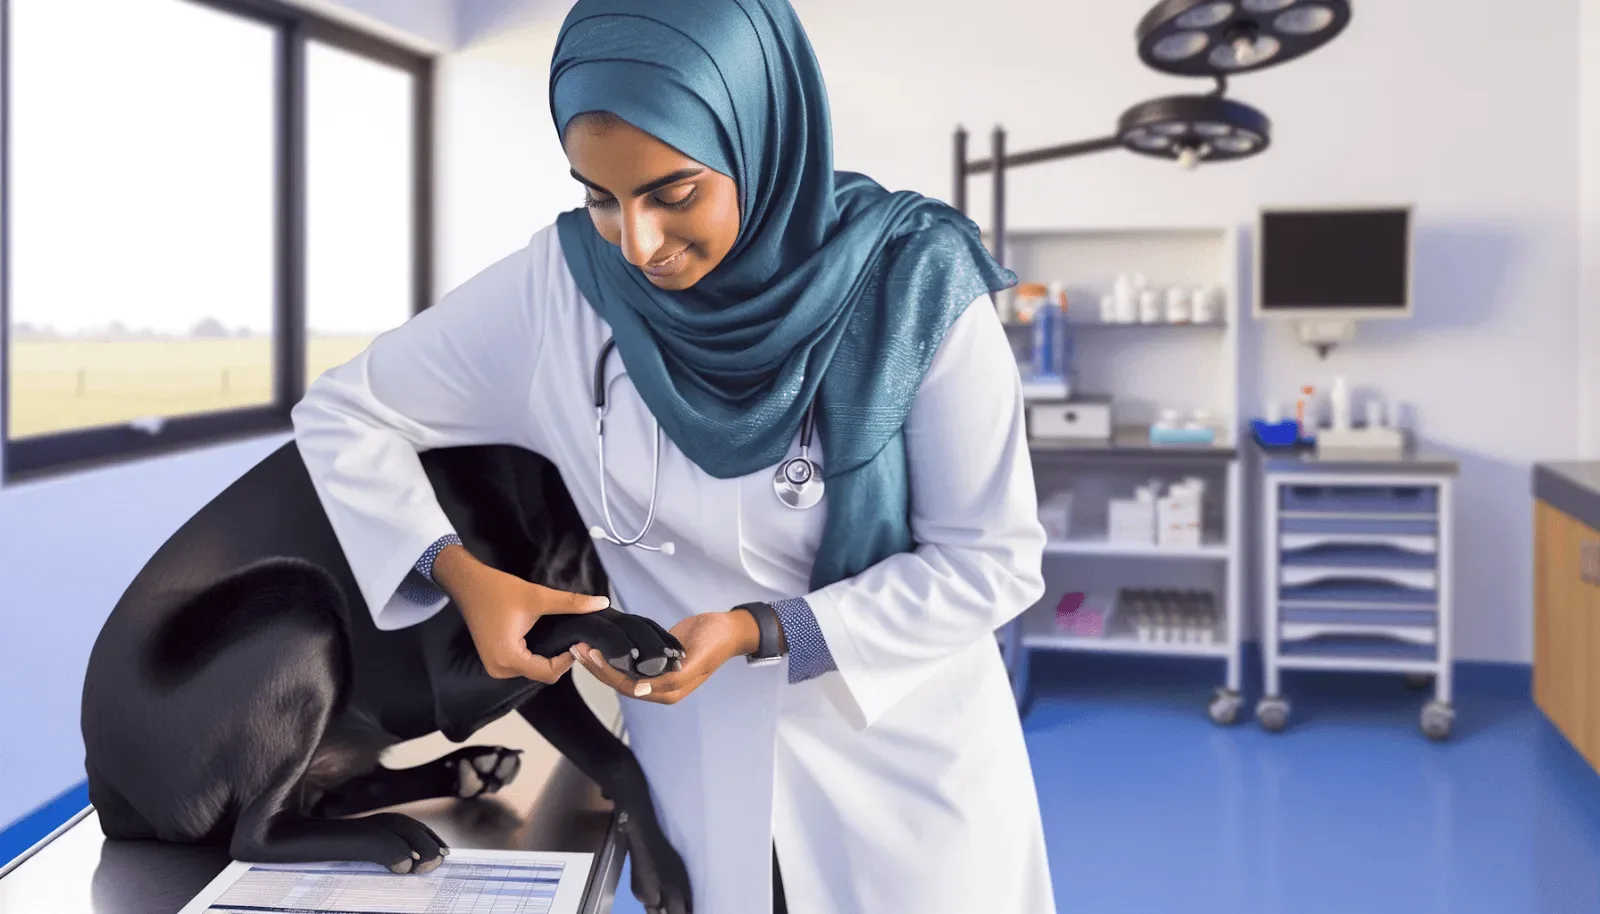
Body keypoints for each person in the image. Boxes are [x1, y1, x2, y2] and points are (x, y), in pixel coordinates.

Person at [289, 0, 1053, 911]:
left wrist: (759, 630)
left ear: (760, 136)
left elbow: (991, 562)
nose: (639, 243)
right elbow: (343, 410)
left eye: (673, 191)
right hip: (698, 770)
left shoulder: (917, 286)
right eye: (599, 195)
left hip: (900, 774)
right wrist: (454, 570)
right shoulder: (559, 288)